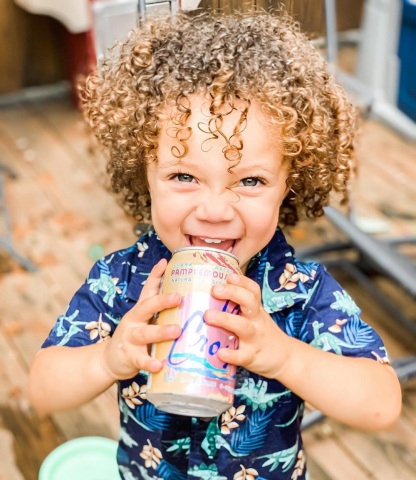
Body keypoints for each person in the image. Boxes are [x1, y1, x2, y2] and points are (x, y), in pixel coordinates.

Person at [29, 9, 402, 480]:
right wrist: (107, 357)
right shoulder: (122, 281)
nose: (215, 209)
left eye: (250, 180)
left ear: (288, 183)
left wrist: (285, 355)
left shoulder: (300, 292)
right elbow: (43, 390)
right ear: (144, 172)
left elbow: (382, 404)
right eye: (184, 176)